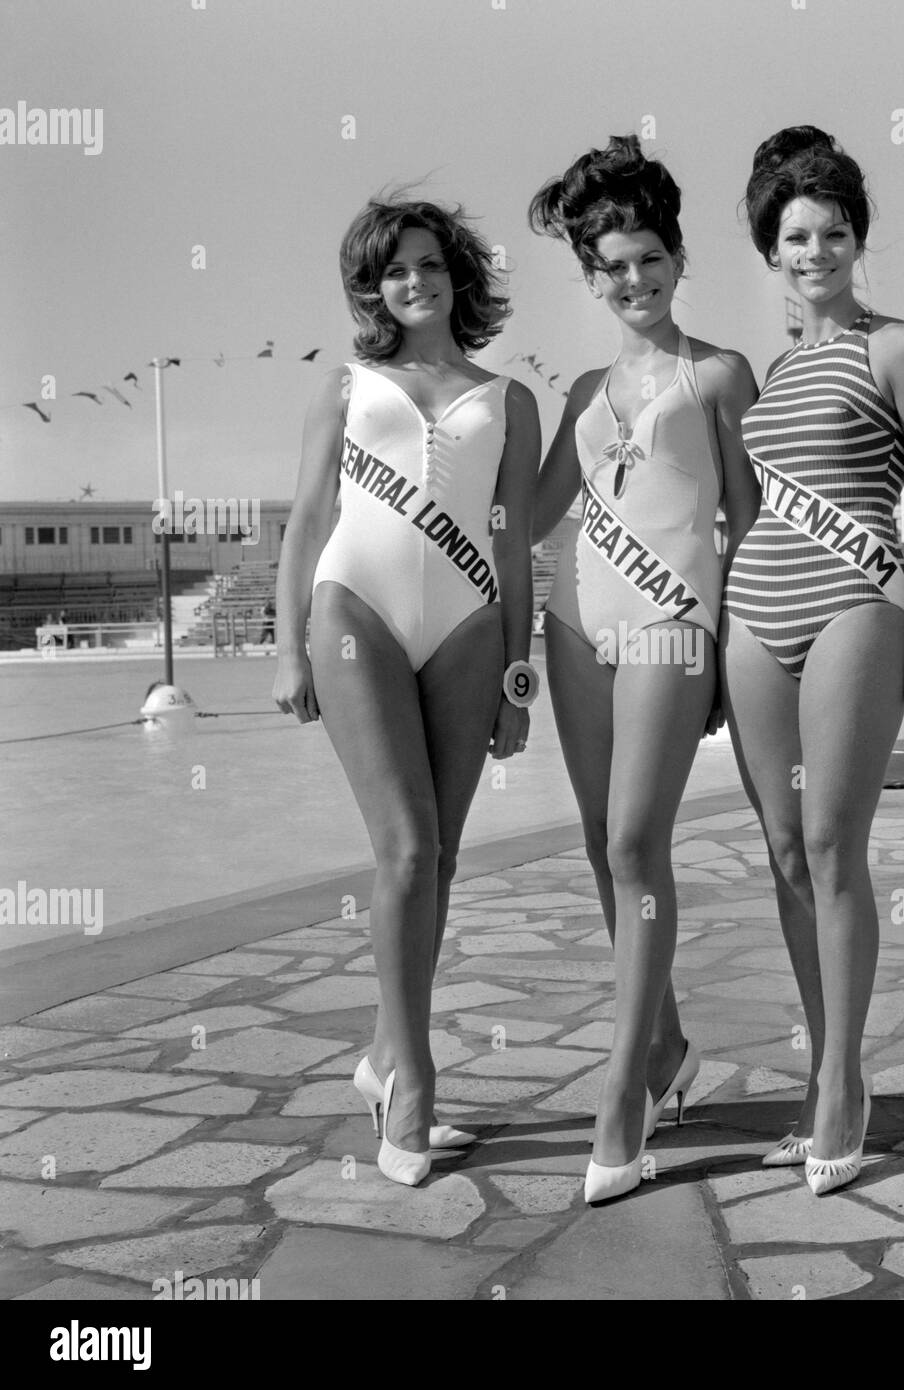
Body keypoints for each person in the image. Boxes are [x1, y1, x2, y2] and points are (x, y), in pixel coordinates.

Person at [273, 194, 539, 1187]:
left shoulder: (509, 399)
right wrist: (288, 648)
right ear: (372, 286)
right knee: (409, 848)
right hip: (357, 616)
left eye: (428, 263)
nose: (413, 282)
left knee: (443, 857)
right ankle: (415, 1084)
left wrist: (520, 678)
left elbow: (514, 546)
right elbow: (305, 519)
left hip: (470, 627)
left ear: (456, 272)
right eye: (393, 270)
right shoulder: (344, 386)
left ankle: (383, 1058)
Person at [722, 127, 904, 1195]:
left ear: (858, 241)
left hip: (857, 599)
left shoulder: (899, 347)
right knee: (778, 848)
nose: (815, 251)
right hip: (755, 609)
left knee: (829, 839)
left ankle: (846, 1084)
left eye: (834, 232)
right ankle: (819, 1069)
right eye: (795, 235)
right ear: (770, 249)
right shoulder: (773, 366)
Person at [529, 135, 760, 1203]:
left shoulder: (717, 375)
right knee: (596, 843)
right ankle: (663, 1045)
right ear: (589, 275)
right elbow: (527, 514)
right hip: (576, 625)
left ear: (677, 256)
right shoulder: (578, 387)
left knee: (634, 841)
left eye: (648, 258)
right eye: (611, 265)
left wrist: (733, 657)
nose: (633, 279)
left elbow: (749, 526)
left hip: (673, 627)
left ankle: (622, 1092)